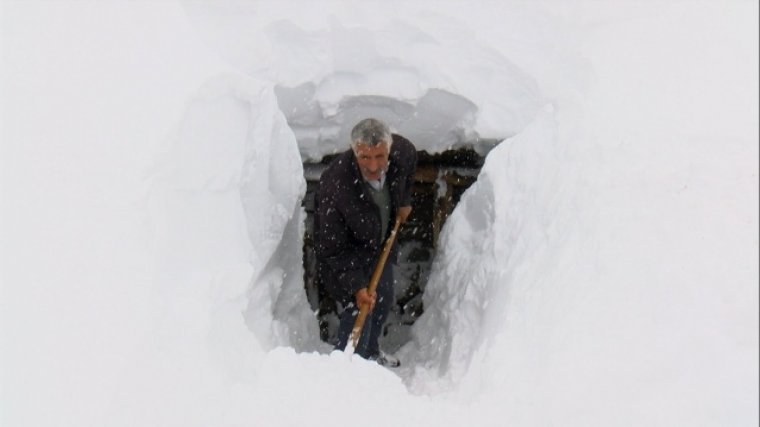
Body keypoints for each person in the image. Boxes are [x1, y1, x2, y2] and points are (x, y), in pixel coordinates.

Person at [314, 118, 417, 367]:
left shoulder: (400, 151)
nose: (373, 166)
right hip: (346, 257)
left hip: (379, 246)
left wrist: (403, 200)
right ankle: (348, 367)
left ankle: (370, 354)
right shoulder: (335, 186)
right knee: (359, 310)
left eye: (380, 156)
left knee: (382, 301)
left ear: (389, 149)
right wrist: (356, 285)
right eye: (364, 157)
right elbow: (331, 247)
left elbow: (409, 161)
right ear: (353, 150)